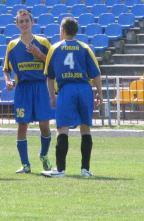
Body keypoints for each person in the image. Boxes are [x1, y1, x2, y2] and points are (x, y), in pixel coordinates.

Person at [41, 17, 102, 178]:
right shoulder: (84, 47)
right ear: (76, 31)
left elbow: (49, 77)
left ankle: (60, 170)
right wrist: (100, 94)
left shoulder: (55, 48)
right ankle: (85, 169)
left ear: (62, 31)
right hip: (84, 88)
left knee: (62, 128)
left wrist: (52, 97)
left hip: (66, 89)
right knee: (85, 128)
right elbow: (96, 74)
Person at [3, 9, 54, 174]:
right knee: (22, 125)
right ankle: (25, 164)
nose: (24, 24)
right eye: (21, 21)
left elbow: (52, 64)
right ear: (16, 24)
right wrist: (8, 80)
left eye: (26, 20)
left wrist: (38, 53)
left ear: (32, 23)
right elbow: (6, 69)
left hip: (41, 87)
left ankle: (44, 155)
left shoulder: (43, 42)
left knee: (44, 125)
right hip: (23, 89)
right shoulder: (12, 45)